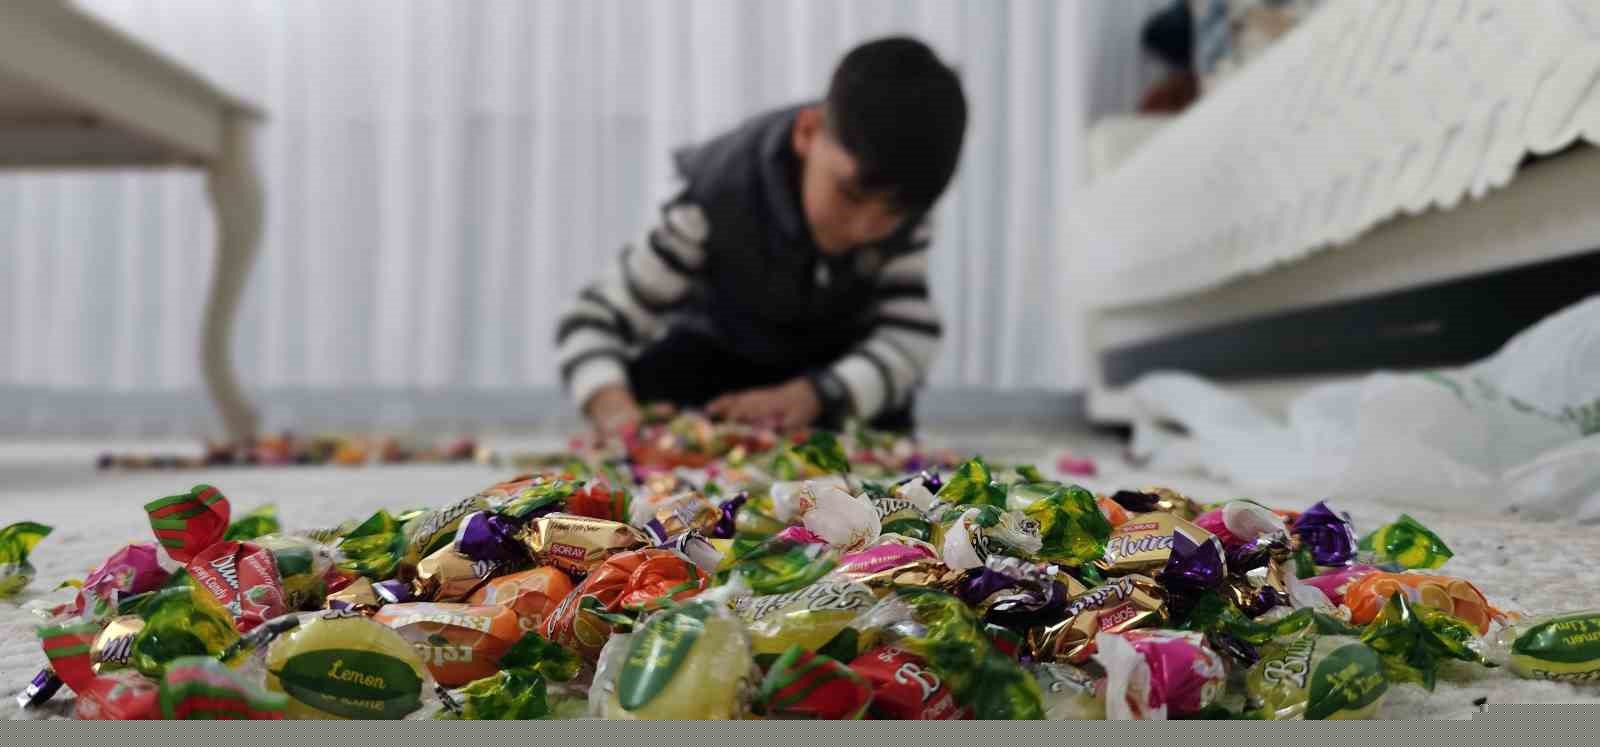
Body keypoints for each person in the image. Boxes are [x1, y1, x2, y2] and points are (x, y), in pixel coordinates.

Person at [555, 36, 967, 437]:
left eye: (892, 214)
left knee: (886, 398)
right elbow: (592, 319)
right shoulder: (709, 198)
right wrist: (611, 407)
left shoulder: (905, 203)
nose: (863, 228)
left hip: (827, 385)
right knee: (661, 376)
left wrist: (816, 394)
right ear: (807, 132)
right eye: (849, 195)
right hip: (717, 372)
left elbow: (910, 333)